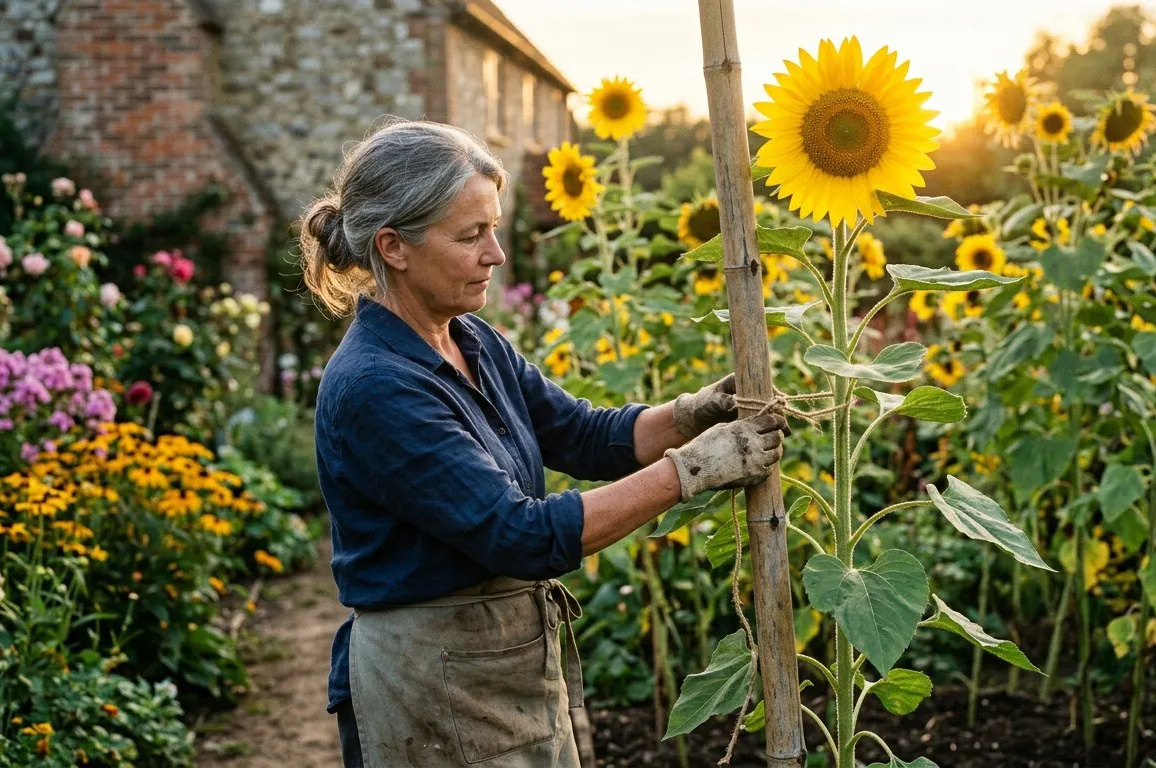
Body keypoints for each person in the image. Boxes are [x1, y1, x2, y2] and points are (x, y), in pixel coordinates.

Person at [296, 119, 788, 767]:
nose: (496, 253)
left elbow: (584, 435)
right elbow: (519, 535)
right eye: (471, 235)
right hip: (428, 680)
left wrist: (691, 414)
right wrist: (693, 469)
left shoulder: (470, 341)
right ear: (394, 247)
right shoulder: (376, 387)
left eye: (493, 228)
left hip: (498, 659)